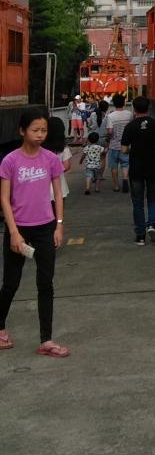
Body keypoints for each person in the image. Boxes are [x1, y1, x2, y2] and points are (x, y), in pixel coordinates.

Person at [0, 106, 68, 357]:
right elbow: (4, 198)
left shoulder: (50, 159)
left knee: (45, 283)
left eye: (43, 130)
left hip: (45, 228)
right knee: (11, 282)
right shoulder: (10, 161)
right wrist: (13, 232)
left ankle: (46, 340)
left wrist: (58, 224)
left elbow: (58, 193)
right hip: (19, 229)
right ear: (22, 131)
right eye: (35, 130)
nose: (40, 135)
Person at [121, 96, 155, 245]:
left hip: (136, 169)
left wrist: (133, 149)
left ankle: (140, 236)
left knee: (138, 202)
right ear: (148, 108)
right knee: (153, 198)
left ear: (134, 109)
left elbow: (124, 149)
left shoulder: (130, 127)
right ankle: (152, 225)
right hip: (153, 167)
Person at [104, 92, 133, 192]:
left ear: (114, 103)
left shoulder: (110, 116)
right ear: (124, 103)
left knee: (114, 166)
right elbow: (131, 128)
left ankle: (116, 186)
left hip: (114, 145)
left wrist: (109, 138)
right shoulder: (129, 114)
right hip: (126, 145)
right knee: (125, 164)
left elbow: (110, 131)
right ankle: (125, 179)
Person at [45, 115, 73, 203]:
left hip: (43, 189)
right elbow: (67, 166)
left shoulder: (40, 148)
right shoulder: (64, 148)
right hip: (60, 186)